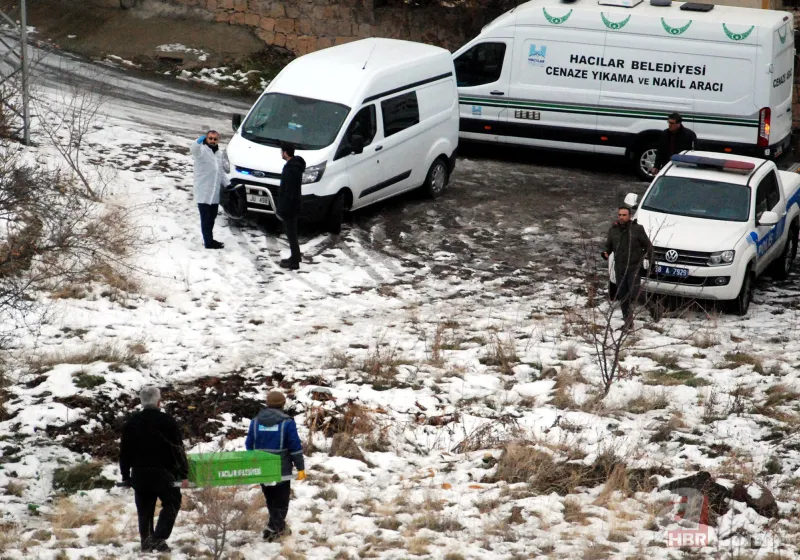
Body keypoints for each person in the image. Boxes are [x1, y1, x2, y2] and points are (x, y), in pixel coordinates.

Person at [119, 386, 189, 553]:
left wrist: (125, 476)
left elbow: (124, 452)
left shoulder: (131, 422)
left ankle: (146, 541)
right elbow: (177, 448)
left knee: (144, 508)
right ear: (159, 401)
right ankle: (158, 538)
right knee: (172, 503)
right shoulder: (168, 421)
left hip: (139, 473)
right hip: (164, 472)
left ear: (141, 401)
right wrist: (183, 473)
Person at [245, 390, 305, 542]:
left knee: (270, 498)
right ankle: (276, 529)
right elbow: (295, 447)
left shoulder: (255, 421)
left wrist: (255, 462)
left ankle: (274, 527)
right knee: (281, 500)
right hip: (281, 468)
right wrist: (300, 468)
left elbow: (248, 445)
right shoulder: (287, 422)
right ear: (283, 404)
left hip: (262, 467)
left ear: (267, 404)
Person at [602, 206, 653, 329]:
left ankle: (654, 309)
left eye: (624, 215)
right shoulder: (613, 230)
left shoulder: (637, 229)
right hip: (619, 267)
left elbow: (649, 247)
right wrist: (605, 253)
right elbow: (608, 246)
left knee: (636, 292)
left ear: (630, 216)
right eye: (619, 215)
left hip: (634, 266)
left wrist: (652, 263)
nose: (621, 217)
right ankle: (628, 322)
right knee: (623, 295)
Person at [190, 130, 227, 249]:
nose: (212, 141)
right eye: (210, 138)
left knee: (212, 218)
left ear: (218, 140)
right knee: (206, 219)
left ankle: (210, 239)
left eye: (215, 139)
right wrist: (197, 141)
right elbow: (193, 150)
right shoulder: (201, 151)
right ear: (206, 139)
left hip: (214, 194)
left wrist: (228, 185)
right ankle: (208, 242)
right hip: (204, 192)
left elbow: (220, 173)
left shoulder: (218, 154)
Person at [276, 142, 306, 270]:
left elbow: (288, 190)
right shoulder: (295, 166)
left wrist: (282, 207)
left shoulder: (290, 169)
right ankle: (296, 256)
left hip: (290, 206)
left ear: (285, 153)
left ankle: (294, 261)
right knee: (292, 232)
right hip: (294, 204)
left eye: (282, 151)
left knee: (291, 234)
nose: (281, 154)